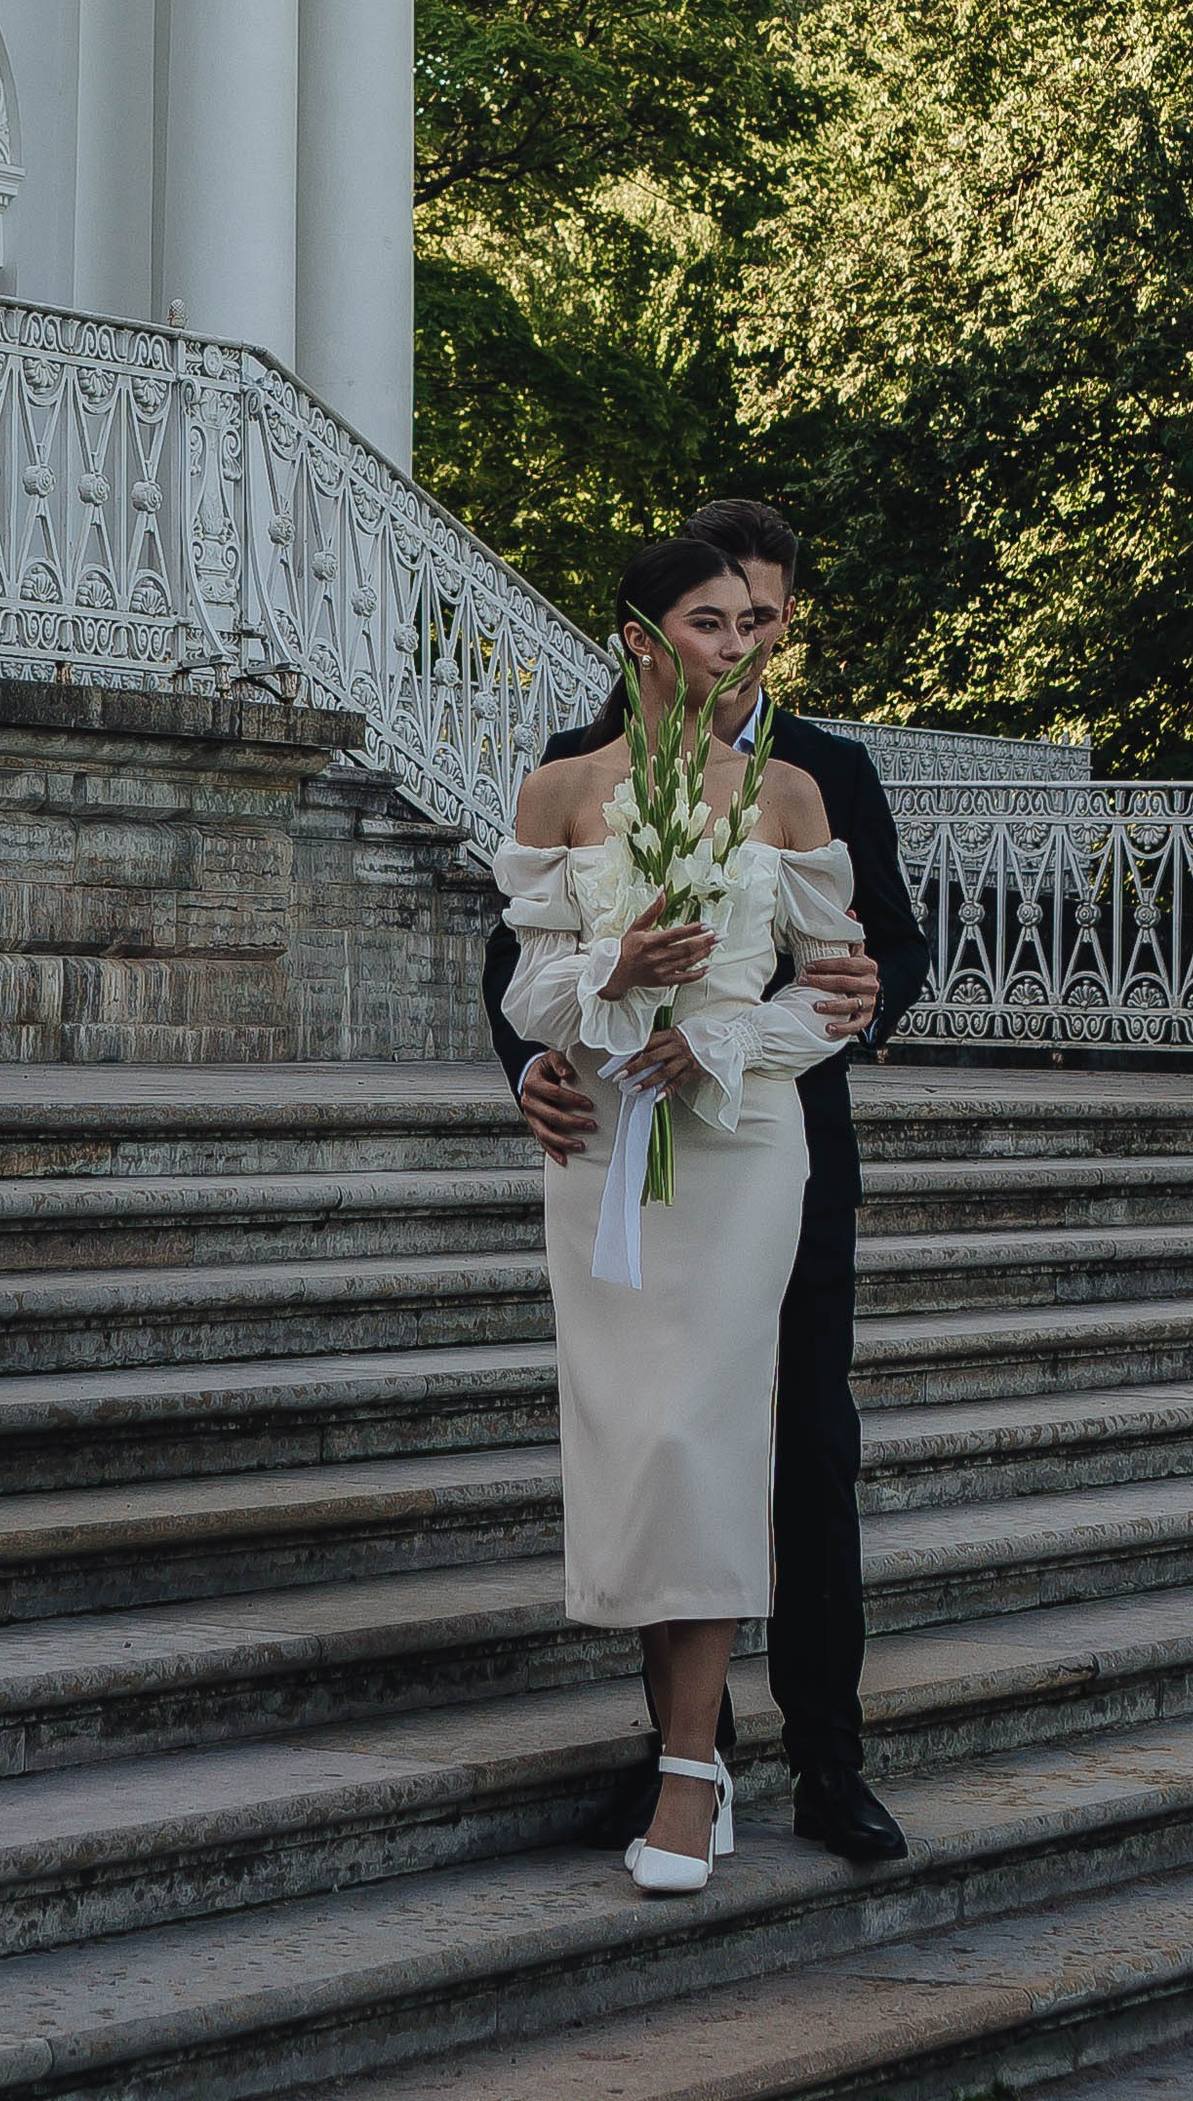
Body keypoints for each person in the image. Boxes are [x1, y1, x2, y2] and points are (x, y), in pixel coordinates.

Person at [484, 495, 928, 1864]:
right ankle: (690, 1756)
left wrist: (776, 1022)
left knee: (801, 1452)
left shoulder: (816, 774)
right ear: (651, 630)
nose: (747, 642)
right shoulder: (568, 773)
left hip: (767, 1153)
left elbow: (877, 956)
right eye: (720, 615)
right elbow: (514, 973)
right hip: (613, 1142)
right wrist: (533, 1065)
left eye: (765, 619)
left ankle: (828, 1758)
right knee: (657, 1441)